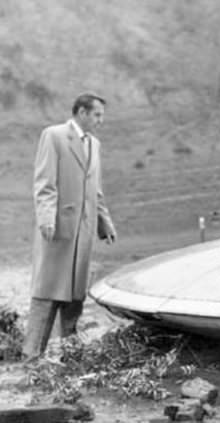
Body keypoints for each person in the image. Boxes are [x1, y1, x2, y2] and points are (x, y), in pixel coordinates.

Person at [22, 93, 117, 361]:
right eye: (97, 115)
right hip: (57, 230)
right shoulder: (53, 136)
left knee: (75, 296)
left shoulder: (94, 144)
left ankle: (70, 355)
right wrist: (46, 219)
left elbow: (95, 190)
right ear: (82, 112)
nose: (100, 121)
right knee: (47, 293)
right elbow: (45, 183)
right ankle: (31, 356)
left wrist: (105, 223)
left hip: (83, 232)